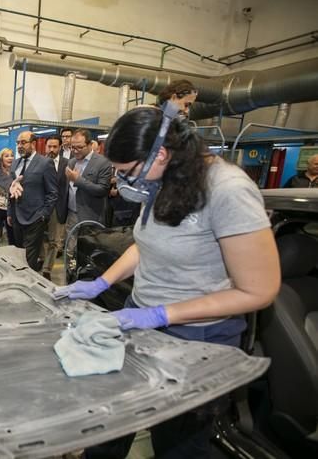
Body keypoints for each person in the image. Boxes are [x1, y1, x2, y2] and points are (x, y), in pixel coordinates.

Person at [56, 102, 281, 459]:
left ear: (160, 154)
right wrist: (101, 283)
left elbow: (259, 290)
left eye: (126, 171)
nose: (123, 180)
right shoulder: (165, 179)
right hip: (142, 318)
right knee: (113, 417)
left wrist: (161, 314)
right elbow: (146, 245)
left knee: (177, 441)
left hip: (196, 338)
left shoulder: (228, 190)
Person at [8, 131, 58, 272]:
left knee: (29, 258)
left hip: (35, 218)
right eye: (18, 143)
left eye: (23, 142)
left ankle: (27, 286)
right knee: (18, 254)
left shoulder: (45, 163)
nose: (19, 146)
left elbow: (53, 193)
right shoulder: (15, 164)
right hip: (17, 216)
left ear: (33, 144)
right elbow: (10, 189)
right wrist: (10, 212)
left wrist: (43, 215)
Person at [64, 129, 112, 254]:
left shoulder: (102, 163)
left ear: (90, 145)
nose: (75, 151)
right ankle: (70, 272)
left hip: (90, 216)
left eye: (79, 147)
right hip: (71, 214)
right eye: (72, 147)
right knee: (70, 251)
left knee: (87, 252)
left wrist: (78, 180)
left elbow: (103, 190)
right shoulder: (72, 162)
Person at [41, 134, 69, 280]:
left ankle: (47, 268)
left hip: (58, 208)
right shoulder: (39, 162)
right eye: (49, 146)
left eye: (54, 146)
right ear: (45, 147)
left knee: (54, 241)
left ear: (60, 147)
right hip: (41, 207)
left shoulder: (67, 163)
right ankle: (41, 259)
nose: (51, 149)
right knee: (39, 237)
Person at [0, 148, 15, 247]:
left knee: (12, 238)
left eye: (12, 155)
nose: (10, 158)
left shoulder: (16, 172)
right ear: (1, 158)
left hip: (11, 209)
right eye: (6, 156)